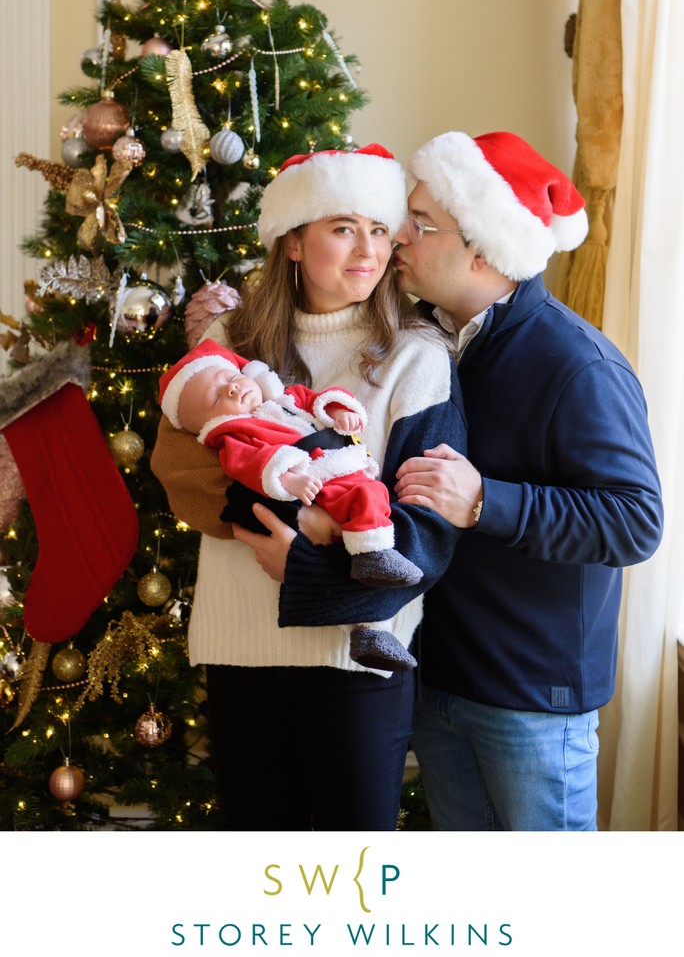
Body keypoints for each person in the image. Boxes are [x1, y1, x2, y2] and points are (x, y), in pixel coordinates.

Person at [150, 142, 467, 831]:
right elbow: (177, 472)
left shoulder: (417, 354)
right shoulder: (232, 339)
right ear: (293, 241)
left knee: (345, 877)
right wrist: (291, 511)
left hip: (358, 660)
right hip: (240, 646)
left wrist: (304, 564)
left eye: (380, 229)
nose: (367, 249)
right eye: (343, 227)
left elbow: (424, 536)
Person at [390, 129, 664, 832]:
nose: (397, 237)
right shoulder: (425, 344)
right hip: (438, 680)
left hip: (531, 702)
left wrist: (485, 500)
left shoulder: (578, 365)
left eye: (419, 223)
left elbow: (635, 521)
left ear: (482, 249)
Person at [157, 338, 423, 672]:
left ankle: (373, 603)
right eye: (215, 398)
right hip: (314, 485)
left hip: (343, 472)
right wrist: (291, 485)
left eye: (229, 379)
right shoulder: (236, 435)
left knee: (371, 501)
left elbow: (317, 402)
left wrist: (340, 411)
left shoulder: (286, 398)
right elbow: (254, 465)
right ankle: (369, 605)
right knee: (360, 509)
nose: (231, 390)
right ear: (208, 426)